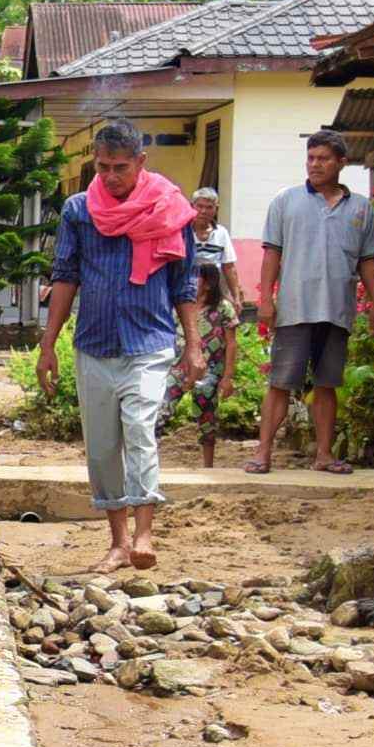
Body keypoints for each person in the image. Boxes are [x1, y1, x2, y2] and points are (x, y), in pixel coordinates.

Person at [39, 121, 204, 573]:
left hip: (148, 342)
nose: (110, 176)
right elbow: (65, 276)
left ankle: (145, 535)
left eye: (120, 168)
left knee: (139, 432)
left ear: (141, 163)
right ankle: (118, 542)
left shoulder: (171, 210)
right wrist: (48, 344)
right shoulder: (78, 211)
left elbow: (184, 283)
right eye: (103, 166)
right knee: (102, 447)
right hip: (94, 343)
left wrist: (194, 346)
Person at [252, 132, 374, 474]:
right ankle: (262, 453)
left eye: (323, 158)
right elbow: (272, 254)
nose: (315, 165)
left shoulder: (360, 208)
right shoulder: (286, 201)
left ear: (342, 162)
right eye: (311, 158)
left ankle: (323, 455)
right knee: (280, 382)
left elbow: (368, 261)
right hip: (295, 308)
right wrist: (265, 299)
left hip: (337, 310)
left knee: (327, 385)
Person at [182, 185, 239, 468]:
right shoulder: (182, 231)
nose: (203, 212)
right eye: (199, 206)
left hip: (214, 298)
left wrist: (236, 297)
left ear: (215, 209)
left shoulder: (221, 234)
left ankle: (207, 462)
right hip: (186, 297)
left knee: (205, 394)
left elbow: (228, 266)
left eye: (208, 207)